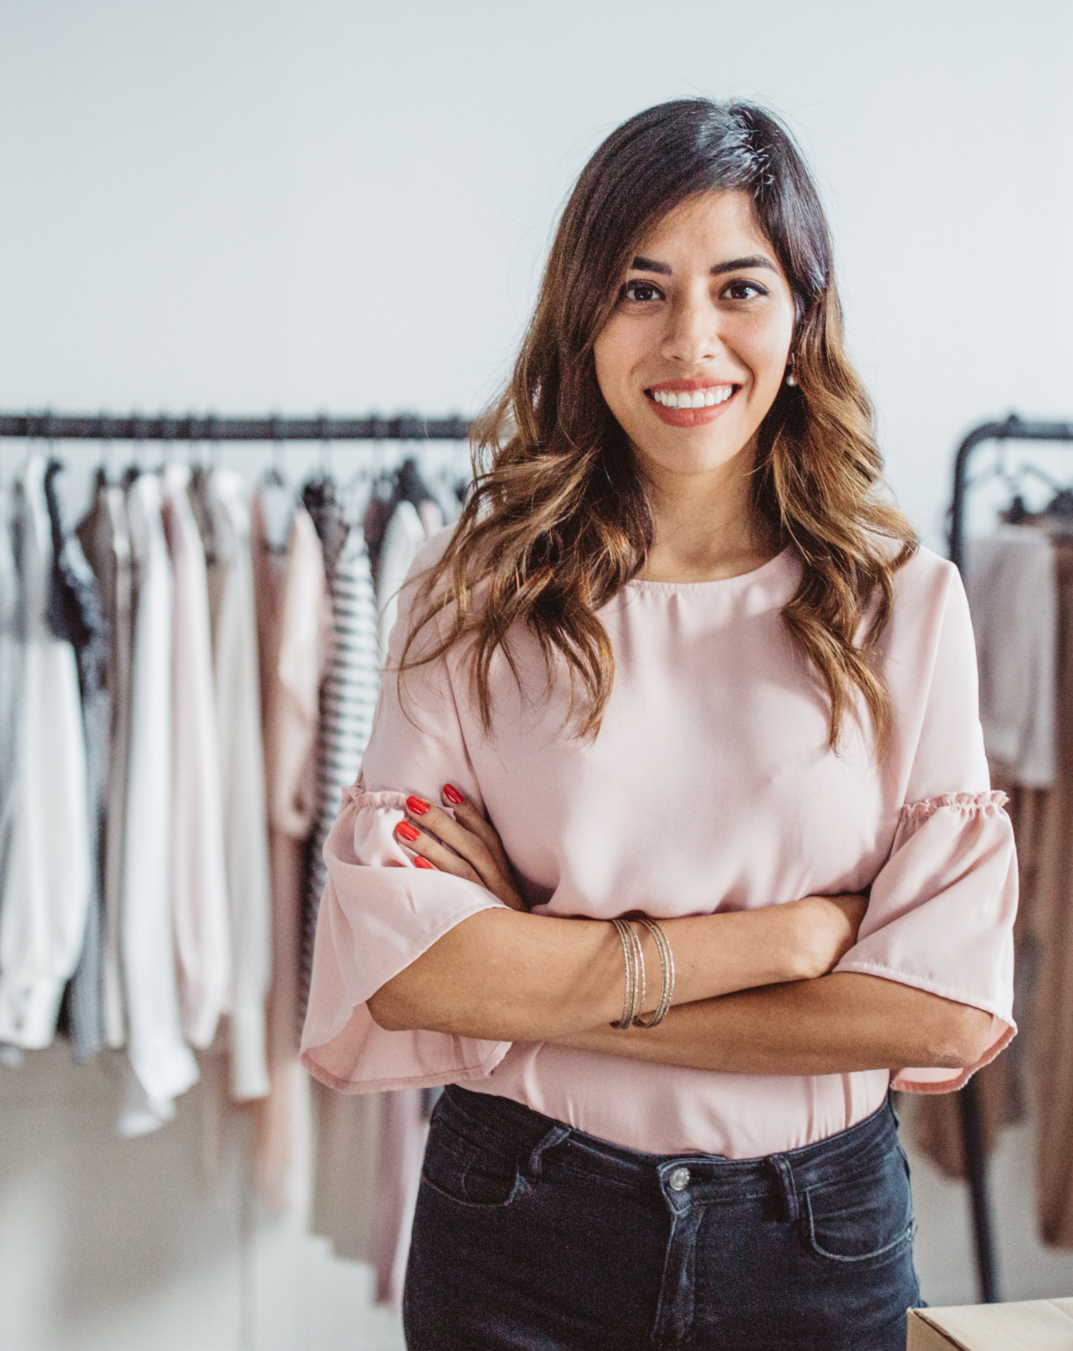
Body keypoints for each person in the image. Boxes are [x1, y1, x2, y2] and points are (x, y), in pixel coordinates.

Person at [299, 99, 1018, 1350]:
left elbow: (941, 1013)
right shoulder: (469, 592)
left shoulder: (905, 606)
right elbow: (409, 971)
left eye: (740, 288)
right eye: (641, 289)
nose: (692, 340)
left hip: (813, 1238)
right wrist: (793, 939)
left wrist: (535, 964)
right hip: (519, 1222)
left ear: (800, 321)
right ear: (583, 319)